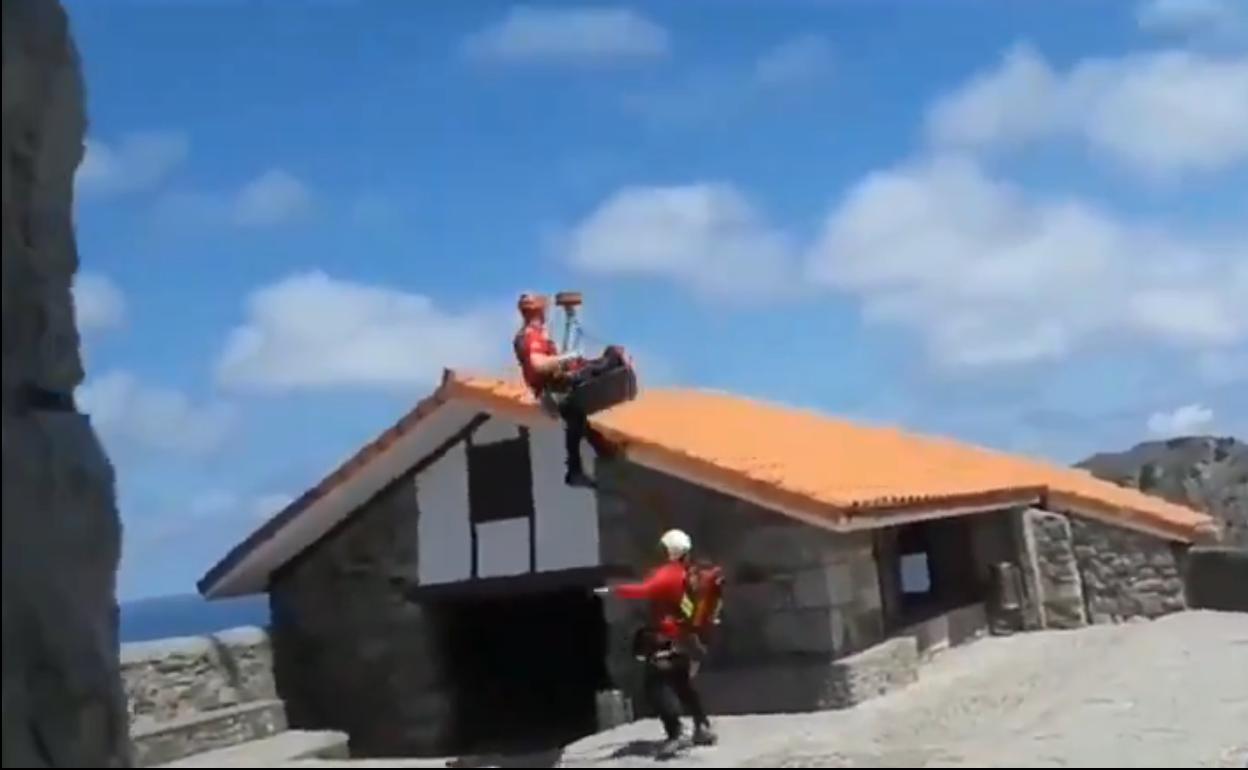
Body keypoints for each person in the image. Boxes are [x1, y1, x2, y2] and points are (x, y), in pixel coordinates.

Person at [596, 529, 717, 759]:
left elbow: (645, 590)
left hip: (667, 638)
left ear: (668, 551)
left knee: (655, 687)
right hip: (687, 638)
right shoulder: (689, 573)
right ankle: (702, 727)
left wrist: (614, 590)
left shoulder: (668, 574)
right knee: (683, 685)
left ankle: (676, 732)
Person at [513, 292, 622, 488]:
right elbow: (538, 364)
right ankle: (584, 463)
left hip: (556, 386)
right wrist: (566, 358)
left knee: (577, 418)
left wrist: (570, 317)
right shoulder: (531, 337)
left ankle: (592, 456)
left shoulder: (535, 335)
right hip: (555, 389)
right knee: (611, 359)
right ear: (538, 311)